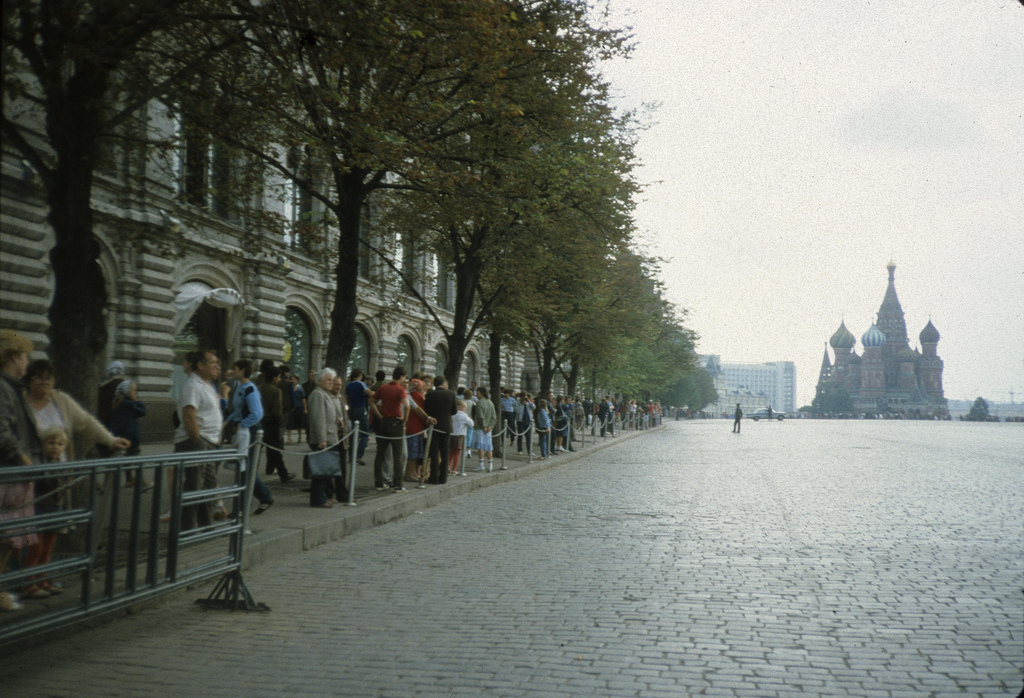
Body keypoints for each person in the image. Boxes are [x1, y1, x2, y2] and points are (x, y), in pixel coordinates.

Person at [0, 330, 42, 612]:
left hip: (14, 474)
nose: (27, 363)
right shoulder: (4, 387)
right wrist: (24, 459)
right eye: (25, 356)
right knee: (5, 539)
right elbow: (2, 431)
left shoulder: (10, 386)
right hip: (10, 474)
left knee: (10, 541)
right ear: (14, 357)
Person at [173, 350, 224, 530]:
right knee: (194, 485)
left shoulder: (207, 385)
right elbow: (188, 416)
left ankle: (205, 526)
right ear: (200, 365)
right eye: (213, 363)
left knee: (209, 485)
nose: (217, 366)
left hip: (208, 442)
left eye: (218, 363)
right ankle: (189, 529)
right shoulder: (192, 385)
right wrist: (197, 441)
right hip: (196, 441)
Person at [20, 426, 69, 598]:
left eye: (59, 443)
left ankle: (42, 579)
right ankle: (29, 582)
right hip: (38, 508)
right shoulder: (38, 462)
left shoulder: (60, 464)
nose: (55, 446)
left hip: (54, 509)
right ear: (42, 444)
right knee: (36, 547)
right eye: (51, 443)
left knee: (47, 548)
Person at [225, 359, 274, 515]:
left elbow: (257, 414)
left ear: (243, 370)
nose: (233, 371)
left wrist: (242, 424)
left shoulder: (250, 389)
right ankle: (259, 500)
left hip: (250, 432)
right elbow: (238, 410)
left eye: (235, 368)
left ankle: (244, 507)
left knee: (245, 469)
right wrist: (228, 421)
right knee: (243, 468)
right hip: (243, 430)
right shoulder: (240, 386)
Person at [307, 368, 346, 508]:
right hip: (324, 439)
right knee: (321, 472)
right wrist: (321, 439)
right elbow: (319, 419)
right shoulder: (318, 394)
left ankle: (320, 497)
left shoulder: (324, 394)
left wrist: (338, 419)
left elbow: (328, 414)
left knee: (324, 472)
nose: (331, 383)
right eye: (328, 380)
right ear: (320, 381)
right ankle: (319, 499)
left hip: (330, 437)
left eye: (332, 380)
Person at [109, 379, 147, 487]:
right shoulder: (130, 404)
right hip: (131, 436)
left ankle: (129, 479)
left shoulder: (116, 403)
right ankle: (141, 482)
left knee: (125, 459)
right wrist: (136, 401)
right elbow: (143, 411)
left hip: (119, 435)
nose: (135, 393)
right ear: (127, 392)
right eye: (133, 390)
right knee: (136, 458)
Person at [257, 366, 291, 483]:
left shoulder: (259, 388)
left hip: (260, 422)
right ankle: (284, 474)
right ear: (274, 378)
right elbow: (277, 411)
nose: (279, 379)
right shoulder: (276, 391)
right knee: (275, 450)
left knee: (258, 448)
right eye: (278, 377)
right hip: (272, 423)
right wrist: (281, 418)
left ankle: (261, 469)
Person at [423, 375, 457, 484]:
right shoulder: (451, 394)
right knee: (444, 452)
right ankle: (443, 478)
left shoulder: (430, 394)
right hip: (446, 426)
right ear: (443, 383)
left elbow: (426, 409)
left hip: (434, 426)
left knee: (433, 452)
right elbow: (454, 411)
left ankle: (433, 477)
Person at [344, 369, 373, 465]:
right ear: (359, 375)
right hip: (360, 408)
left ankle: (350, 456)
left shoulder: (348, 386)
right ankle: (358, 455)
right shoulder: (360, 384)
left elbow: (346, 398)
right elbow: (369, 393)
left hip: (352, 408)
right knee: (365, 433)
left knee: (353, 433)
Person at [404, 379, 428, 482]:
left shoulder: (411, 395)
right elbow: (419, 411)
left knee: (414, 453)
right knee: (413, 453)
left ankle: (413, 472)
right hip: (415, 428)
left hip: (411, 427)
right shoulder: (417, 396)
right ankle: (410, 473)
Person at [471, 387, 497, 471]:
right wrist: (490, 426)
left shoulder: (479, 403)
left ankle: (481, 465)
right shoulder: (490, 403)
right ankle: (490, 465)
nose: (476, 394)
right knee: (489, 447)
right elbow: (494, 417)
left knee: (481, 447)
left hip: (480, 428)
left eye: (477, 392)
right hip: (489, 429)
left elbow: (480, 416)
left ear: (481, 393)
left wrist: (484, 426)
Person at [449, 400, 473, 474]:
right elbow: (471, 424)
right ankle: (454, 469)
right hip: (459, 435)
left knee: (451, 453)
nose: (465, 408)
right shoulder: (463, 415)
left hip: (451, 435)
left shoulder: (452, 414)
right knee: (457, 454)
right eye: (463, 406)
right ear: (459, 407)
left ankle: (448, 466)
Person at [284, 374, 306, 445]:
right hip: (291, 408)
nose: (293, 381)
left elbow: (303, 399)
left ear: (297, 380)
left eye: (294, 379)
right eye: (292, 379)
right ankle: (289, 439)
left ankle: (299, 438)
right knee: (289, 424)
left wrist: (305, 408)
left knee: (299, 424)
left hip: (299, 408)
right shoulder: (288, 389)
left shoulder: (300, 389)